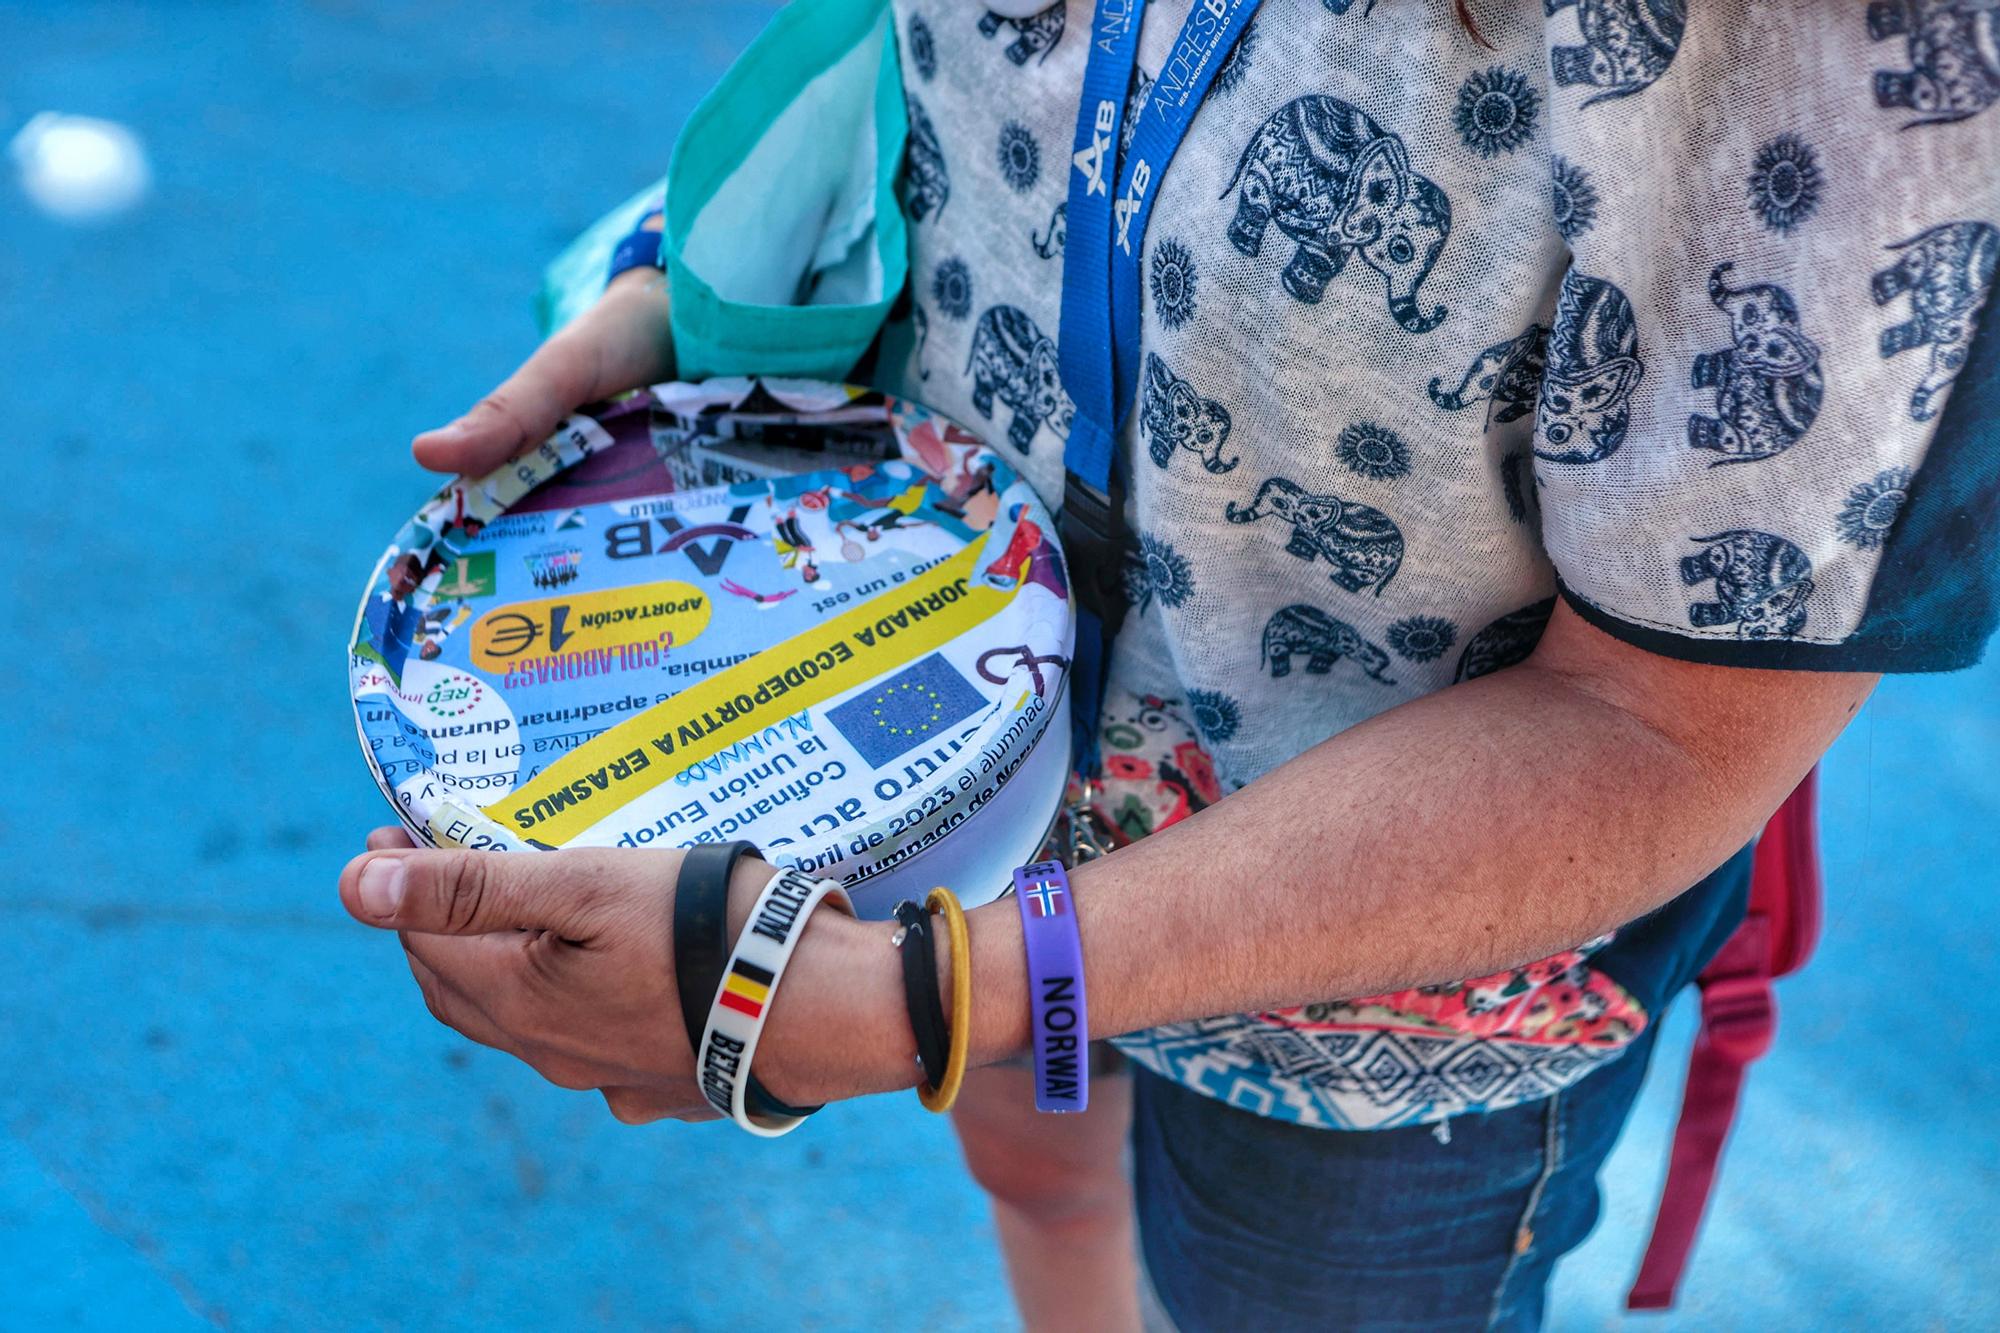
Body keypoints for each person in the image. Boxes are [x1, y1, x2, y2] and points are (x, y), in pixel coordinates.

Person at [343, 3, 1999, 1328]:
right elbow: (927, 88)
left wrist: (925, 1000)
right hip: (970, 777)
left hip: (1386, 988)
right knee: (1042, 1184)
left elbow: (1656, 725)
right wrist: (693, 291)